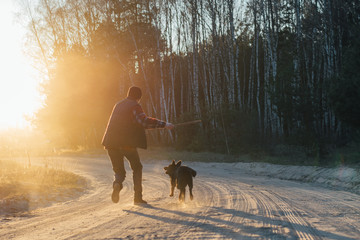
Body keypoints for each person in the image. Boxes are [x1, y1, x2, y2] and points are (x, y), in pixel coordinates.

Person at [102, 86, 174, 205]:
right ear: (138, 98)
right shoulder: (134, 105)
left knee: (119, 171)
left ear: (128, 94)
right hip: (126, 144)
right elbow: (143, 121)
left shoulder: (118, 105)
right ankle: (137, 198)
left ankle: (117, 184)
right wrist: (164, 125)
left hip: (110, 143)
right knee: (137, 167)